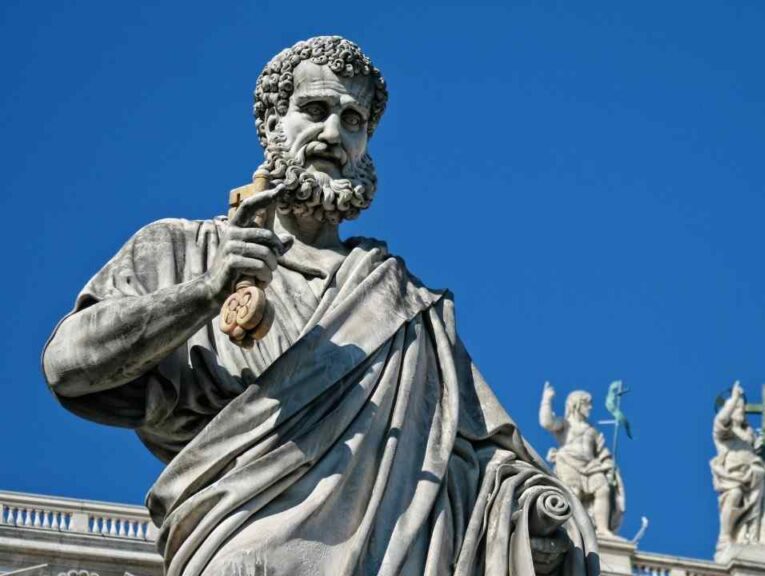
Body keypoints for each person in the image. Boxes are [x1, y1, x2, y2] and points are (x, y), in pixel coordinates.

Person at [42, 35, 598, 576]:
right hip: (243, 547)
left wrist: (529, 516)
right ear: (271, 124)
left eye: (354, 121)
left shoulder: (404, 304)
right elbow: (67, 365)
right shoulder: (184, 248)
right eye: (315, 109)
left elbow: (482, 459)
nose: (334, 133)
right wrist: (206, 292)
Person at [709, 382, 765, 558]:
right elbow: (720, 420)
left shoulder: (749, 435)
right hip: (732, 476)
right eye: (737, 408)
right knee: (734, 495)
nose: (741, 411)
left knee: (755, 506)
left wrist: (761, 455)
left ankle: (750, 536)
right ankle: (725, 537)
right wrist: (734, 398)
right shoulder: (724, 433)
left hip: (754, 477)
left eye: (743, 408)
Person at [538, 383, 625, 537]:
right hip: (568, 461)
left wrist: (608, 467)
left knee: (603, 489)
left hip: (592, 466)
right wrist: (547, 400)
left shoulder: (592, 430)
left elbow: (603, 452)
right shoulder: (565, 424)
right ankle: (572, 530)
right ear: (577, 404)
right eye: (587, 404)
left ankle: (602, 529)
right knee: (573, 493)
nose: (590, 408)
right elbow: (547, 422)